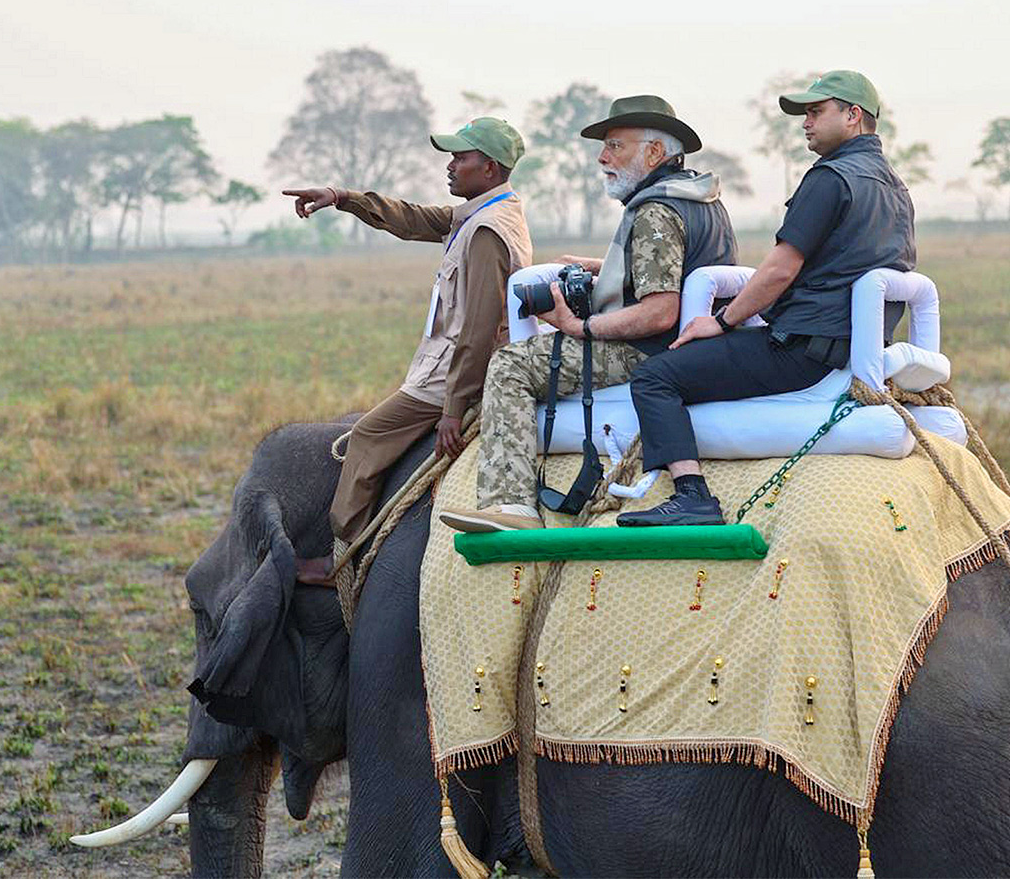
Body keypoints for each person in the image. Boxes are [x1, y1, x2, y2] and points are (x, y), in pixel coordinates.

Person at [618, 70, 916, 528]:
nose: (805, 123)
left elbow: (780, 268)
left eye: (816, 112)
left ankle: (692, 496)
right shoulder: (895, 187)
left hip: (803, 349)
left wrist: (722, 320)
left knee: (656, 377)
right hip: (850, 345)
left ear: (854, 116)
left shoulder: (831, 178)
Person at [438, 95, 738, 533]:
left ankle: (511, 506)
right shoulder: (700, 196)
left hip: (650, 350)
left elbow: (658, 312)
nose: (602, 157)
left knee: (510, 364)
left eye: (615, 145)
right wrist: (611, 269)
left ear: (655, 152)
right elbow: (672, 272)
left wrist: (581, 326)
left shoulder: (655, 211)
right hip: (691, 346)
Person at [282, 118, 533, 576]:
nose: (451, 166)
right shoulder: (479, 214)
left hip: (450, 378)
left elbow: (477, 333)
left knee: (368, 435)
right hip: (444, 367)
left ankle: (345, 558)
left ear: (491, 168)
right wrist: (342, 198)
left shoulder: (487, 232)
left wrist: (454, 409)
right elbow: (411, 218)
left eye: (461, 157)